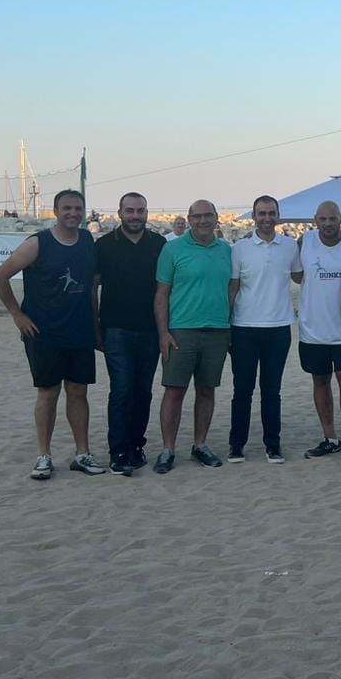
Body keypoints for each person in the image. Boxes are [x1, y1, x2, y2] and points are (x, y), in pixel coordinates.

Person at [0, 189, 106, 480]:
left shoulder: (87, 241)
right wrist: (18, 316)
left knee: (79, 393)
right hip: (44, 332)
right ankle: (44, 456)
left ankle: (82, 453)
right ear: (55, 211)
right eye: (67, 208)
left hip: (79, 330)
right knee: (48, 392)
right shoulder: (37, 243)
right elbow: (0, 276)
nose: (73, 213)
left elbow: (93, 283)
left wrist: (95, 324)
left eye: (78, 208)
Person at [152, 199, 233, 473]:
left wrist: (230, 326)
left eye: (208, 215)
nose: (202, 221)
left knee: (207, 390)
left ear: (216, 218)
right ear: (188, 219)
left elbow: (232, 290)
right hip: (181, 331)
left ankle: (200, 444)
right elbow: (161, 295)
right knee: (174, 391)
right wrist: (163, 333)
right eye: (197, 216)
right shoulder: (172, 249)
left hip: (217, 331)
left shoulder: (226, 250)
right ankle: (168, 450)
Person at [92, 192, 166, 475]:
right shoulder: (105, 245)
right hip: (116, 329)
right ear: (120, 213)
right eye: (130, 211)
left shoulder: (159, 244)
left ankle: (136, 446)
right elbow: (93, 287)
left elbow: (166, 290)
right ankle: (119, 450)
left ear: (147, 213)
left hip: (150, 330)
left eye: (140, 211)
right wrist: (95, 325)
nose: (135, 216)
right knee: (122, 390)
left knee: (143, 392)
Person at [227, 195, 302, 464]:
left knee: (272, 391)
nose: (267, 218)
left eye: (271, 213)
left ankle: (273, 444)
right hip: (244, 328)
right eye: (261, 213)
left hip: (279, 327)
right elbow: (233, 287)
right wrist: (227, 325)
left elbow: (301, 276)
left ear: (278, 215)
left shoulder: (290, 246)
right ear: (254, 216)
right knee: (242, 391)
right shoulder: (240, 248)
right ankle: (237, 444)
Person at [295, 201, 341, 464]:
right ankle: (330, 438)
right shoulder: (304, 241)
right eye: (322, 219)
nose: (327, 224)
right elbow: (295, 273)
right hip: (313, 330)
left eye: (332, 218)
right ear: (315, 219)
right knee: (320, 381)